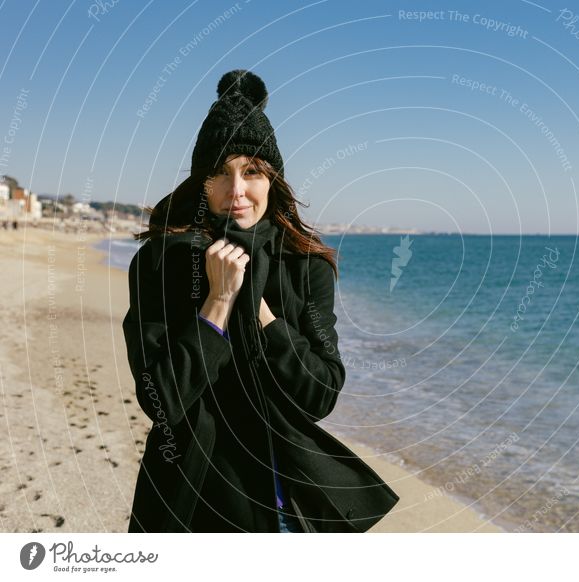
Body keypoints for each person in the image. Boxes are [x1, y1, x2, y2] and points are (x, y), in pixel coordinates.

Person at [122, 69, 399, 532]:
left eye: (251, 171)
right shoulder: (162, 263)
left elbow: (320, 393)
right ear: (202, 183)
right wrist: (218, 301)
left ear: (273, 180)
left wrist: (261, 312)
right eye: (219, 172)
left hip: (284, 504)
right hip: (189, 500)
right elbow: (159, 399)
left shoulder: (305, 266)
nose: (236, 191)